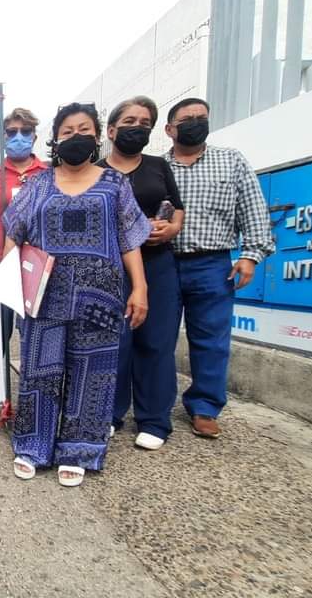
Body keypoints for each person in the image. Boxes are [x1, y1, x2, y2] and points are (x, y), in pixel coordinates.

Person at [2, 103, 151, 487]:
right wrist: (9, 280)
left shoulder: (115, 184)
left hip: (100, 299)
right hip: (45, 297)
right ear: (55, 138)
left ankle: (80, 448)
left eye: (83, 129)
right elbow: (13, 233)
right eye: (67, 131)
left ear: (97, 135)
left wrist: (140, 287)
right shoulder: (36, 185)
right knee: (39, 371)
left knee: (93, 374)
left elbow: (129, 241)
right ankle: (33, 444)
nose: (76, 137)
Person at [163, 98, 275, 439]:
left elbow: (253, 209)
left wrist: (251, 255)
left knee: (211, 340)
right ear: (170, 129)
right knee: (156, 340)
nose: (196, 123)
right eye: (187, 119)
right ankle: (155, 404)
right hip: (163, 263)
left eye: (201, 118)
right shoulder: (156, 166)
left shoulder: (231, 162)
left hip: (213, 264)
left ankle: (205, 407)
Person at [97, 97, 185, 451]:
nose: (138, 127)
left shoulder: (158, 167)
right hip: (110, 267)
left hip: (157, 262)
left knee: (156, 340)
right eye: (130, 121)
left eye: (145, 122)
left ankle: (154, 419)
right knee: (112, 342)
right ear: (112, 129)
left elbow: (177, 209)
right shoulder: (95, 170)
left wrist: (170, 229)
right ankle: (110, 415)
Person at [0, 107, 50, 428]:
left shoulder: (49, 173)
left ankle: (34, 402)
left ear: (34, 135)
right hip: (1, 266)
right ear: (2, 137)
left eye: (25, 131)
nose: (18, 137)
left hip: (40, 269)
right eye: (10, 132)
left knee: (36, 337)